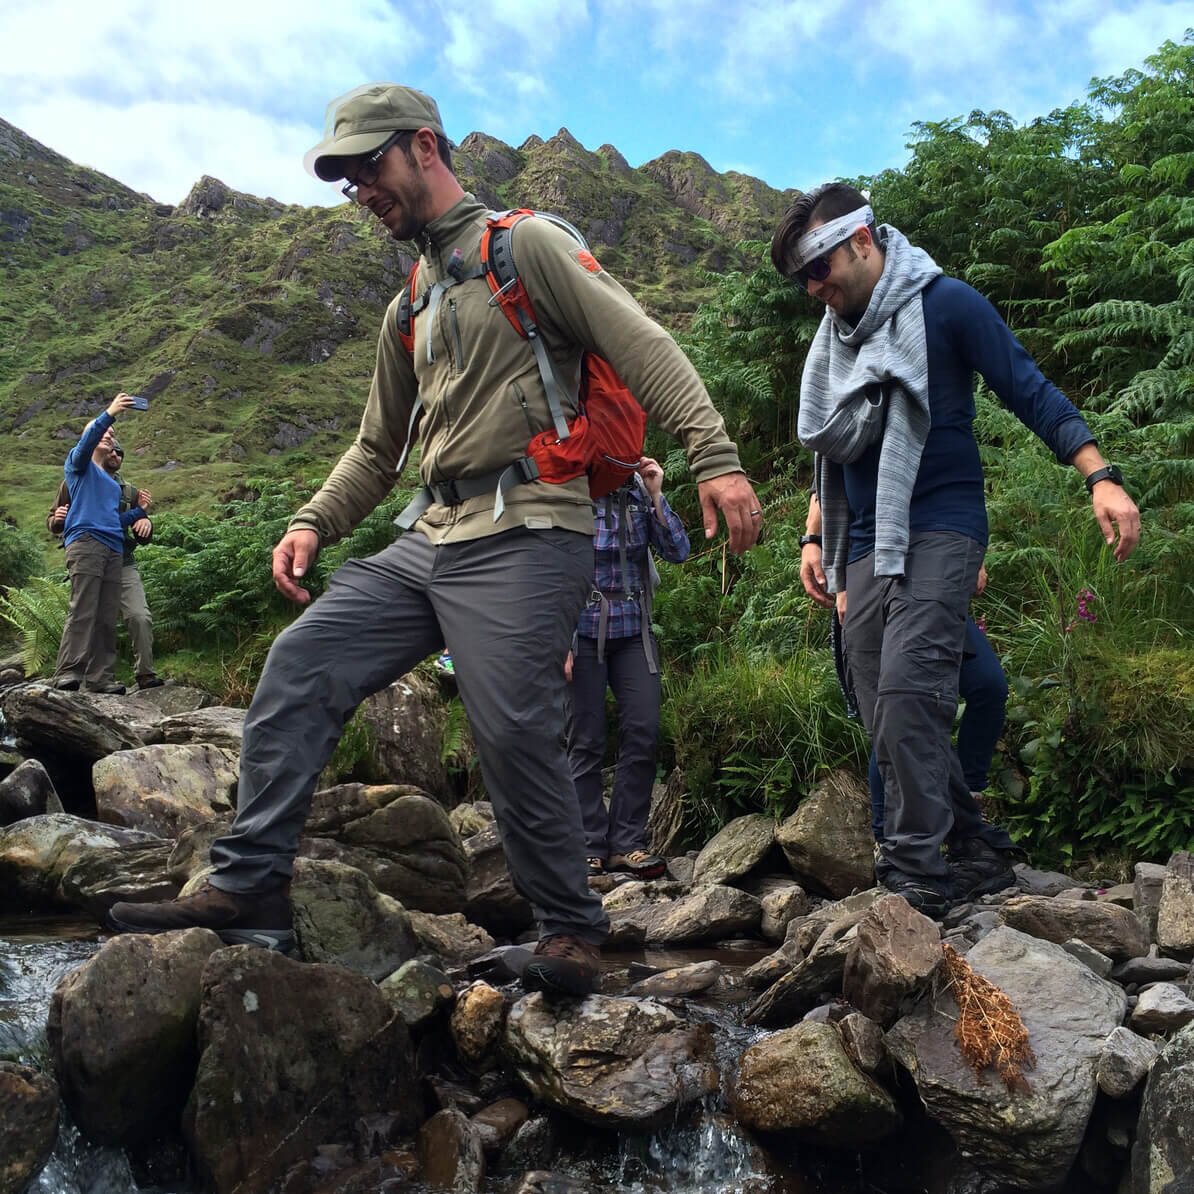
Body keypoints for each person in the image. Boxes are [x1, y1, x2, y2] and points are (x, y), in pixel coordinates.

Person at [109, 83, 762, 995]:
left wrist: (715, 456)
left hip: (534, 525)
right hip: (437, 532)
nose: (361, 190)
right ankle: (248, 882)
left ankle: (572, 928)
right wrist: (312, 522)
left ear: (423, 147)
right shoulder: (409, 302)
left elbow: (642, 341)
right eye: (344, 181)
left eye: (368, 166)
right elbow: (377, 449)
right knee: (303, 660)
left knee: (509, 718)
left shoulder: (527, 245)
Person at [775, 182, 1140, 917]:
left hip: (943, 520)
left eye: (820, 267)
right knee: (881, 707)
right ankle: (972, 843)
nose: (815, 288)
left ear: (862, 240)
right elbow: (836, 450)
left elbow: (1026, 386)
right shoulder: (835, 340)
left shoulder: (946, 304)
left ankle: (914, 867)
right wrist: (816, 532)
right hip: (865, 537)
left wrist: (1098, 475)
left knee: (913, 690)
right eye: (801, 279)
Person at [807, 493, 1009, 841]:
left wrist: (969, 553)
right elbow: (826, 492)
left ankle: (967, 800)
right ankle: (887, 838)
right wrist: (829, 566)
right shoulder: (852, 438)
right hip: (868, 581)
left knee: (988, 686)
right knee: (893, 715)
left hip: (933, 576)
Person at [565, 456, 689, 880]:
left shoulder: (638, 489)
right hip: (579, 629)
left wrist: (656, 493)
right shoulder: (571, 488)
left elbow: (677, 550)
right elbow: (552, 568)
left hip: (633, 629)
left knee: (644, 729)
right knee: (586, 738)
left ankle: (627, 844)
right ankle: (588, 845)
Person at [51, 395, 150, 694]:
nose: (109, 435)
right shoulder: (77, 465)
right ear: (90, 437)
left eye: (112, 434)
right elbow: (89, 438)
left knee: (106, 617)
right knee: (83, 609)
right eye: (103, 432)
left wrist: (139, 512)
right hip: (86, 543)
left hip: (113, 549)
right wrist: (109, 414)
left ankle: (100, 678)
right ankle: (68, 672)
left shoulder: (110, 483)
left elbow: (113, 520)